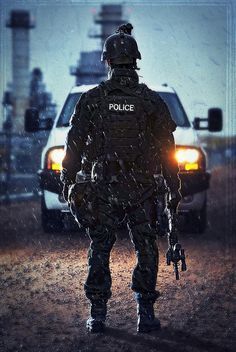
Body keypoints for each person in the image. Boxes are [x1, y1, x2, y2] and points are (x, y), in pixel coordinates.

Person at [60, 23, 181, 334]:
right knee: (146, 247)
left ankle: (98, 313)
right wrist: (173, 188)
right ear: (135, 61)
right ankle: (145, 312)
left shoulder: (92, 99)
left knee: (100, 247)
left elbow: (73, 145)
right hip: (141, 189)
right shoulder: (151, 100)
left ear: (108, 61)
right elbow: (169, 150)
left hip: (104, 189)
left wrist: (67, 179)